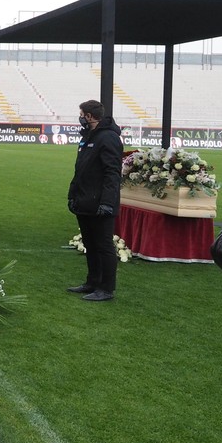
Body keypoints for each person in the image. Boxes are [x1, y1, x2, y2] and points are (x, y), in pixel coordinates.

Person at [66, 99, 123, 302]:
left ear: (89, 116)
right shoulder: (88, 136)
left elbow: (112, 172)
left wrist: (107, 202)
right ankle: (92, 282)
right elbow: (80, 170)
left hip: (100, 202)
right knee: (90, 243)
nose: (80, 118)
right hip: (85, 201)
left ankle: (106, 288)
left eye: (82, 114)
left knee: (104, 245)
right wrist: (73, 195)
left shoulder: (108, 138)